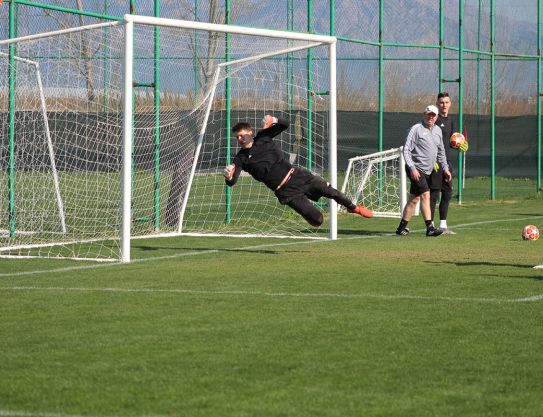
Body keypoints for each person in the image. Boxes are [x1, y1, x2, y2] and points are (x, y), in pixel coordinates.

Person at [224, 115, 373, 227]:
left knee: (332, 192)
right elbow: (232, 181)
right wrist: (228, 176)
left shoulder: (263, 137)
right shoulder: (240, 158)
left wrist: (273, 119)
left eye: (242, 134)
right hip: (286, 191)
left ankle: (353, 208)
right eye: (237, 136)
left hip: (298, 176)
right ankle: (306, 208)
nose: (240, 138)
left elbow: (285, 124)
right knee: (317, 220)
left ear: (250, 133)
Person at [396, 105, 451, 237]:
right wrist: (412, 168)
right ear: (424, 114)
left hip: (428, 170)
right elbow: (407, 150)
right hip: (415, 169)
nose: (430, 117)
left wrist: (445, 168)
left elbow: (441, 151)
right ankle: (430, 228)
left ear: (436, 117)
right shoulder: (416, 129)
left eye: (433, 115)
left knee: (414, 200)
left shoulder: (437, 130)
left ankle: (400, 229)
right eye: (428, 114)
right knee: (426, 194)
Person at [429, 92, 469, 234]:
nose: (444, 105)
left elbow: (451, 142)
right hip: (435, 163)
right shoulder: (433, 120)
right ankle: (431, 226)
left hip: (447, 163)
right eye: (441, 102)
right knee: (434, 193)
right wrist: (432, 160)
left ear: (450, 104)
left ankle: (443, 226)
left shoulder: (451, 121)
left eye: (446, 102)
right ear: (437, 104)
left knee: (447, 193)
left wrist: (460, 146)